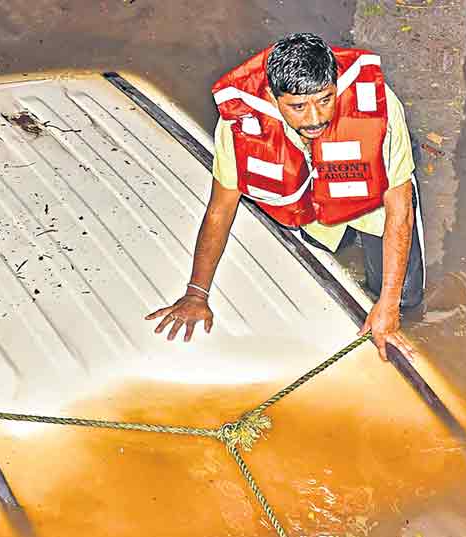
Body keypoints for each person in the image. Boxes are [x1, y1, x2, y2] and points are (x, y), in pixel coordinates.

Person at [145, 32, 425, 360]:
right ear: (273, 97)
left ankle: (382, 277)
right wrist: (196, 293)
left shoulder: (379, 108)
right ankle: (340, 239)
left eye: (325, 100)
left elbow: (399, 208)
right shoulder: (239, 123)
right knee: (324, 253)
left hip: (374, 198)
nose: (315, 118)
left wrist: (388, 305)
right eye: (298, 106)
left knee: (407, 299)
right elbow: (221, 209)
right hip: (311, 201)